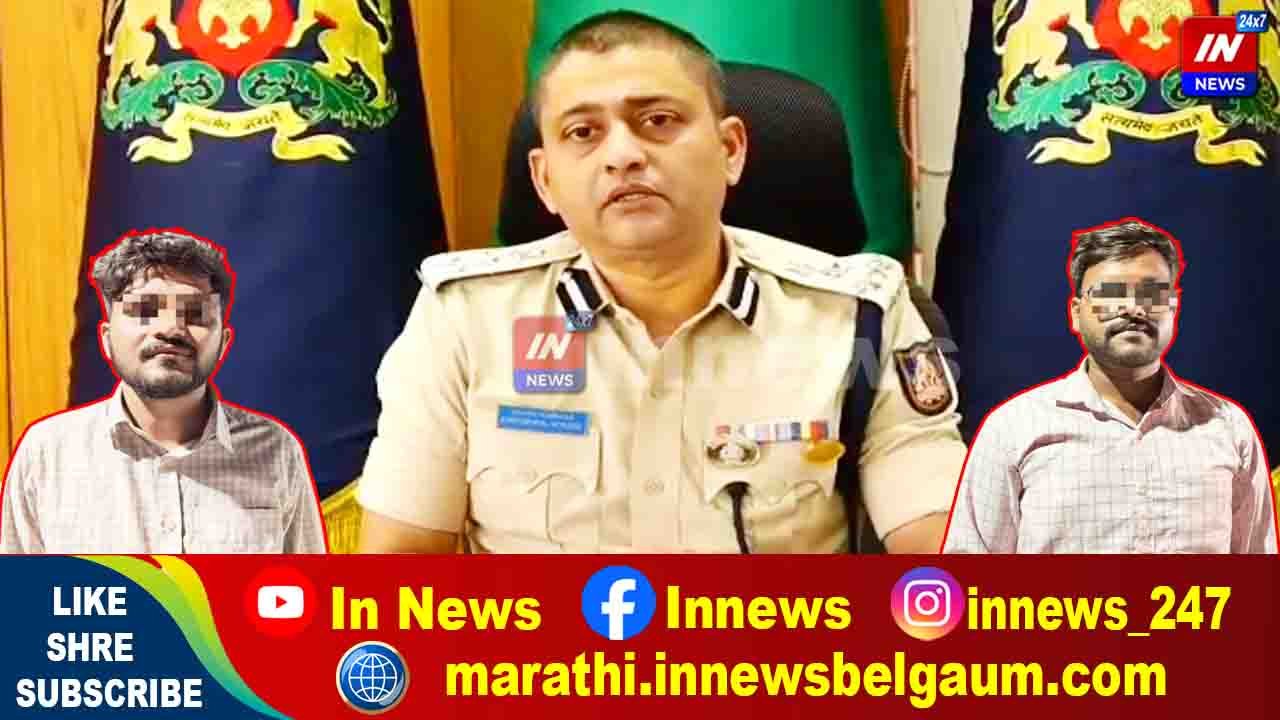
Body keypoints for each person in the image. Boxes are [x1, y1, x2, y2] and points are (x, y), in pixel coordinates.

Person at [357, 11, 967, 553]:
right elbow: (401, 564)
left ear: (730, 149)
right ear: (544, 181)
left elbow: (938, 556)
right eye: (583, 132)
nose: (623, 155)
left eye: (657, 120)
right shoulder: (464, 318)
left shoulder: (859, 316)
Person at [944, 219, 1278, 554]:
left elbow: (1258, 577)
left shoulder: (1229, 429)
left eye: (1151, 294)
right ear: (1076, 313)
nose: (1133, 309)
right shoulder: (1013, 429)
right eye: (1109, 294)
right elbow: (969, 575)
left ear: (1173, 309)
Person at [1, 231, 327, 553]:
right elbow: (18, 587)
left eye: (195, 314)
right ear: (106, 339)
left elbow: (306, 584)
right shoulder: (47, 453)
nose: (170, 329)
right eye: (144, 312)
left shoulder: (276, 451)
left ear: (224, 342)